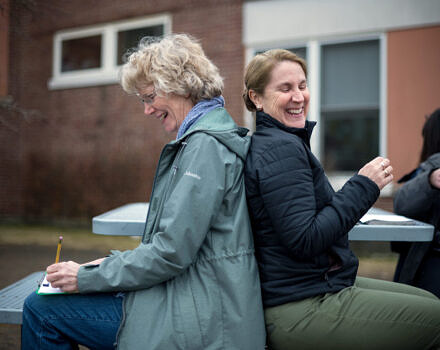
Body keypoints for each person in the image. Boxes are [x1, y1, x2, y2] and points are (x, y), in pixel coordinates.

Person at [21, 34, 266, 350]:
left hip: (201, 319)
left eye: (150, 97)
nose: (147, 110)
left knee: (42, 310)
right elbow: (178, 246)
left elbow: (170, 254)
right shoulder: (208, 138)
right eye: (143, 100)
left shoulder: (204, 148)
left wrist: (85, 278)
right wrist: (100, 268)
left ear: (182, 86)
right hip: (204, 299)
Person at [243, 49, 440, 350]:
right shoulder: (280, 150)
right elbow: (305, 237)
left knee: (428, 301)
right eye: (285, 88)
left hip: (311, 286)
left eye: (302, 85)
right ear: (256, 98)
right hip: (298, 305)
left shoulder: (280, 143)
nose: (298, 96)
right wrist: (364, 185)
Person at [393, 108, 440, 297]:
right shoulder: (432, 170)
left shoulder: (431, 167)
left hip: (427, 269)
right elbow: (402, 203)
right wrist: (430, 179)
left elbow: (401, 203)